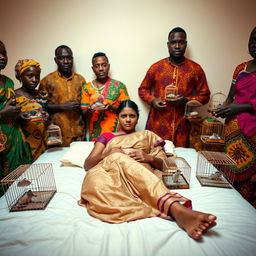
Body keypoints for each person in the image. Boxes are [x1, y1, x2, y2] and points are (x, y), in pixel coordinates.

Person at [79, 99, 217, 240]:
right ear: (118, 117)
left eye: (132, 116)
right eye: (123, 116)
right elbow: (87, 164)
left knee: (122, 159)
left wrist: (148, 157)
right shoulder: (108, 137)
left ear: (137, 118)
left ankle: (179, 212)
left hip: (138, 176)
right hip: (107, 175)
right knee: (116, 160)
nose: (127, 120)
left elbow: (169, 166)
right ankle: (176, 209)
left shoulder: (147, 135)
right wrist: (108, 154)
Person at [138, 27, 210, 147]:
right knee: (155, 158)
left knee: (180, 160)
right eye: (173, 42)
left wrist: (187, 100)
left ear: (185, 44)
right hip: (158, 124)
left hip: (183, 126)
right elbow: (143, 89)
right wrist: (153, 100)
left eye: (181, 42)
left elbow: (205, 95)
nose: (177, 46)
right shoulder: (156, 67)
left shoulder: (195, 69)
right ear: (168, 44)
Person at [215, 27, 256, 207]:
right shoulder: (241, 68)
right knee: (228, 172)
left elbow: (237, 104)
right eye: (252, 40)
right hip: (233, 129)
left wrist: (240, 108)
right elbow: (230, 97)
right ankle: (230, 210)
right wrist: (221, 109)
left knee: (249, 180)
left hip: (253, 133)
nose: (254, 44)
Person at [0, 41, 31, 192]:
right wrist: (2, 113)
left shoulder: (9, 81)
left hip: (15, 138)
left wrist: (20, 115)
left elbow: (10, 108)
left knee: (19, 183)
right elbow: (4, 111)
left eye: (4, 53)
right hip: (1, 143)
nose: (2, 57)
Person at [39, 45, 86, 146]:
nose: (66, 61)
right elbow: (41, 108)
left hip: (79, 134)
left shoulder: (81, 80)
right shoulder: (46, 81)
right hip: (56, 135)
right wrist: (63, 106)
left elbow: (85, 106)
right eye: (61, 58)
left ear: (72, 59)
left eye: (69, 58)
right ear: (56, 60)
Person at [81, 52, 130, 141]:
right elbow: (84, 114)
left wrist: (111, 107)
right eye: (97, 66)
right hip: (95, 136)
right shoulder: (86, 87)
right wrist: (89, 110)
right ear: (93, 68)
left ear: (108, 66)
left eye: (104, 65)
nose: (101, 69)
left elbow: (128, 110)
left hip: (117, 134)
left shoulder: (119, 86)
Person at [15, 59, 48, 162]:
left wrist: (47, 117)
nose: (34, 80)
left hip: (43, 142)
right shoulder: (14, 96)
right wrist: (21, 118)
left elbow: (46, 115)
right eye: (29, 76)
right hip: (24, 142)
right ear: (20, 76)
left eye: (37, 76)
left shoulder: (43, 95)